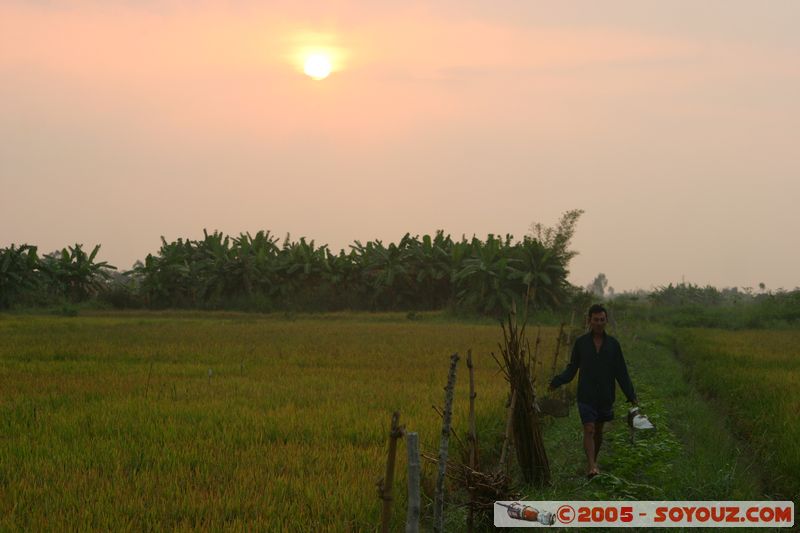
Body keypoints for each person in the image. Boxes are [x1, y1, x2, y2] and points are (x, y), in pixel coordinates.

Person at [548, 303, 638, 479]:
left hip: (605, 395)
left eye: (602, 320)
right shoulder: (581, 343)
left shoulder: (613, 345)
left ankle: (593, 461)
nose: (599, 323)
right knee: (589, 428)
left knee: (598, 430)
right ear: (589, 321)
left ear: (606, 321)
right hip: (586, 395)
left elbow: (621, 372)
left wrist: (631, 395)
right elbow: (572, 368)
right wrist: (557, 382)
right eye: (595, 320)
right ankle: (592, 466)